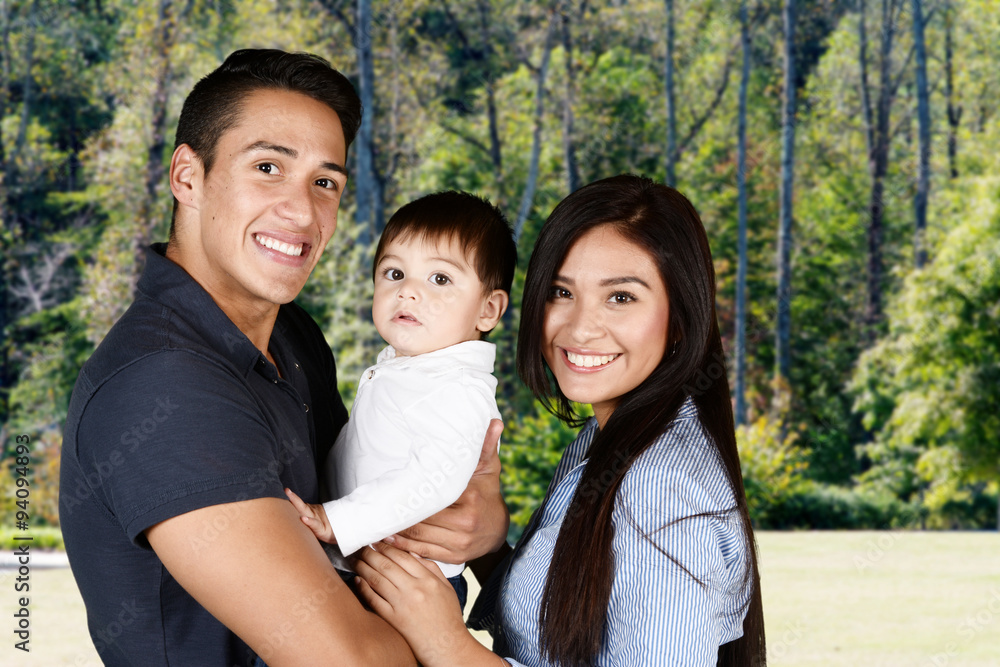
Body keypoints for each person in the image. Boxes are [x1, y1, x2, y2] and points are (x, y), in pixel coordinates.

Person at [58, 49, 508, 667]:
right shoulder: (162, 385)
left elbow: (366, 479)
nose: (301, 212)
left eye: (325, 183)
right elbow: (351, 662)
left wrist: (482, 529)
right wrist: (440, 639)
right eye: (268, 167)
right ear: (188, 177)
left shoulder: (290, 335)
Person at [350, 174, 767, 666]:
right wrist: (487, 546)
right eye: (561, 292)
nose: (581, 328)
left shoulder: (661, 488)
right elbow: (557, 628)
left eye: (621, 297)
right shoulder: (606, 438)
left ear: (680, 318)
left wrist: (447, 645)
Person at [286, 190, 517, 610]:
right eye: (394, 273)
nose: (408, 291)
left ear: (488, 310)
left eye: (440, 279)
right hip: (368, 564)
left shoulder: (457, 389)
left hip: (409, 583)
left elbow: (435, 478)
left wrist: (337, 521)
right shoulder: (412, 370)